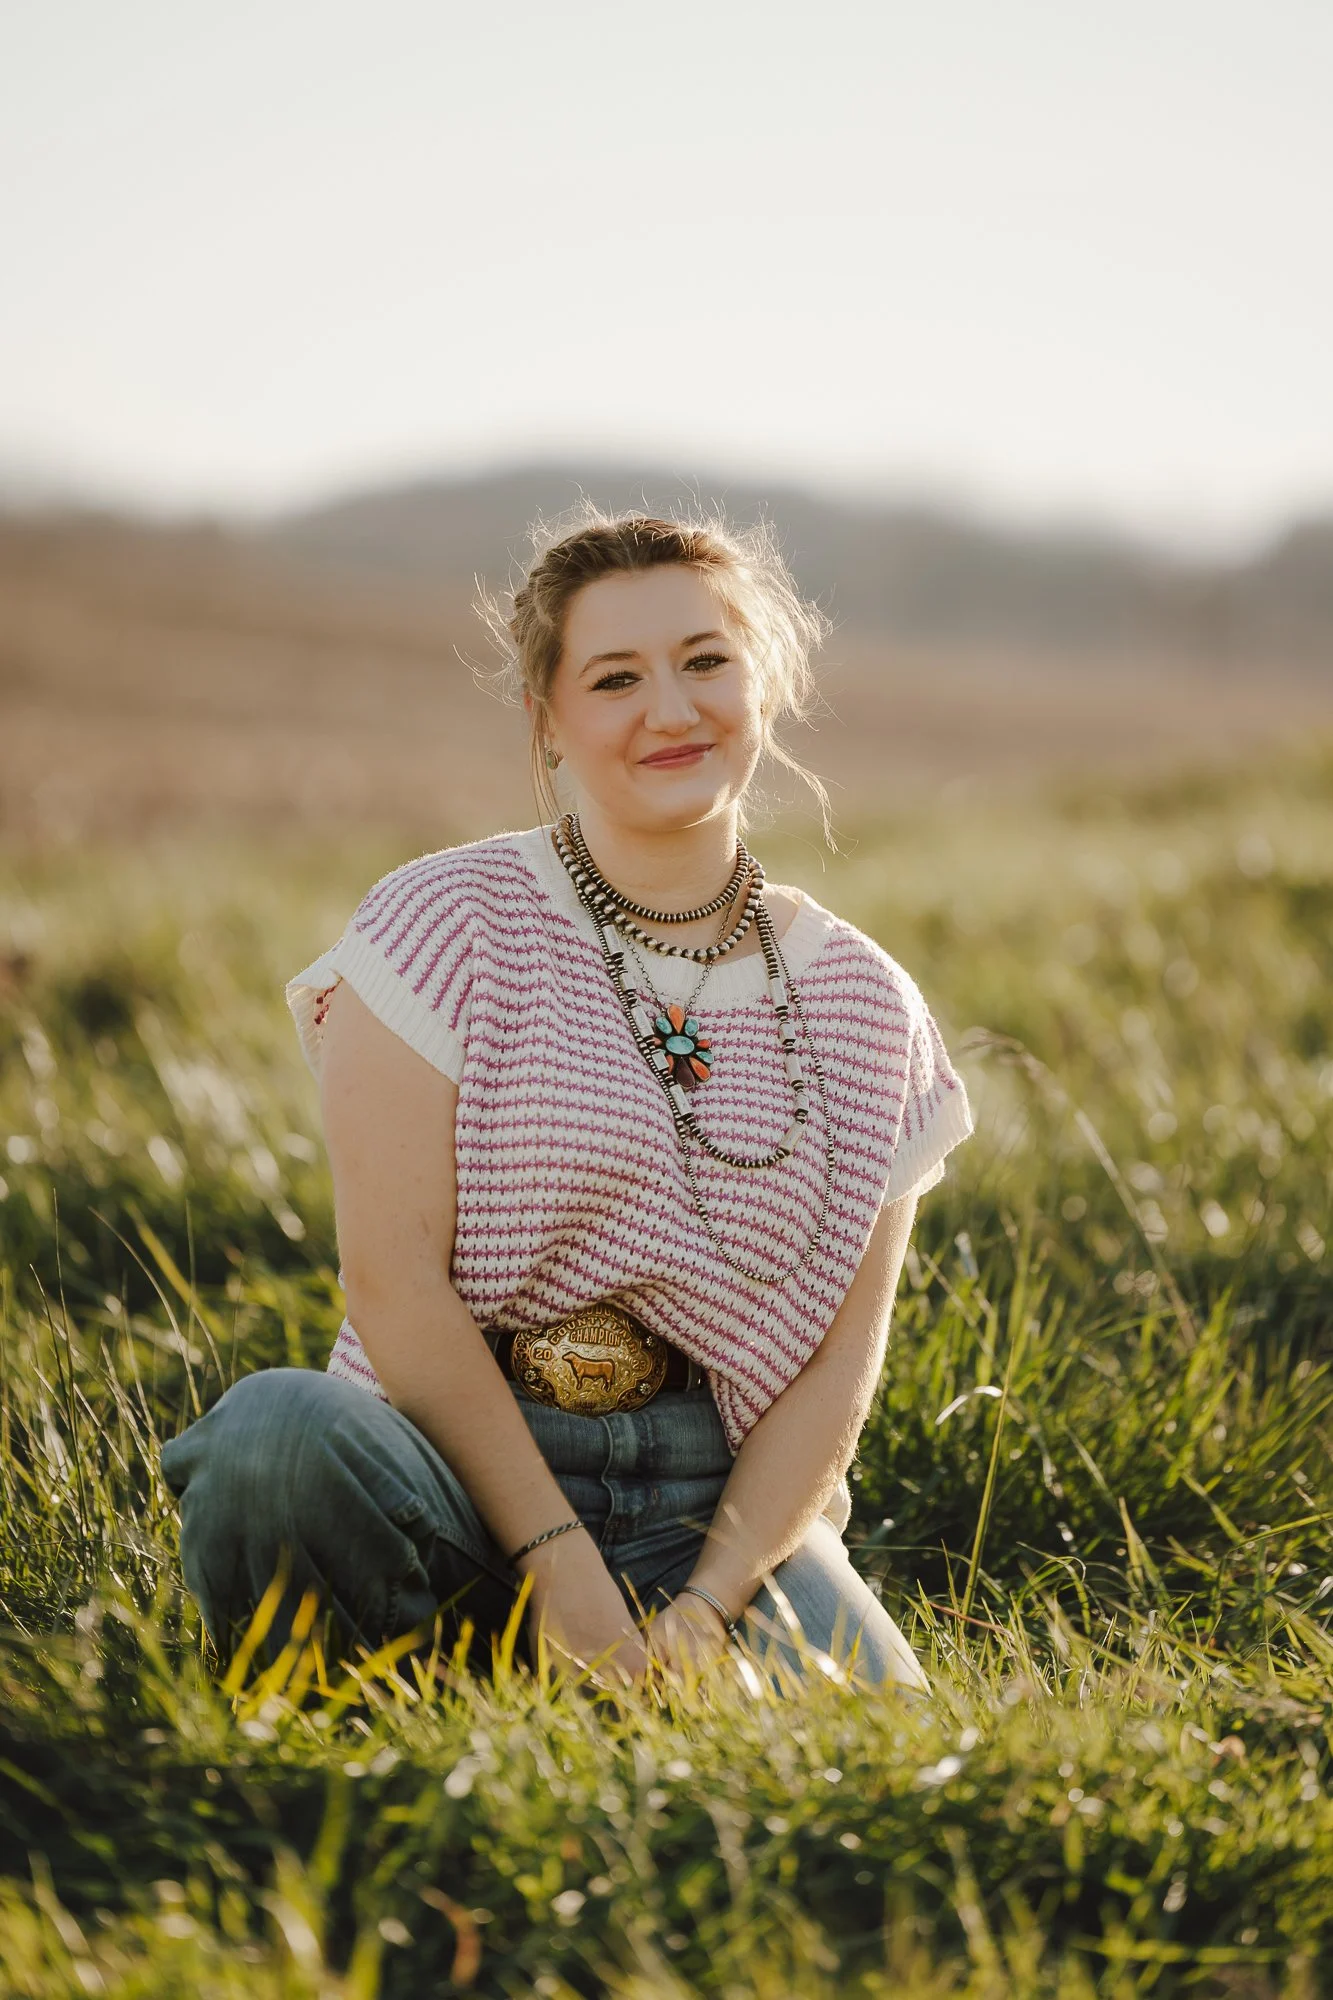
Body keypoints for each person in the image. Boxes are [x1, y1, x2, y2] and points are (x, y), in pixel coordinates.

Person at [160, 507, 973, 1699]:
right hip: (447, 1468)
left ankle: (604, 1696)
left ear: (768, 681)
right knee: (274, 1436)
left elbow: (836, 1379)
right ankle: (377, 1723)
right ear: (547, 719)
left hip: (717, 1516)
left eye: (707, 662)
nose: (672, 708)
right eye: (614, 677)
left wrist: (704, 1606)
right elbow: (393, 1281)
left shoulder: (866, 1005)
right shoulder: (439, 926)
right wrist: (557, 1564)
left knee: (886, 1754)